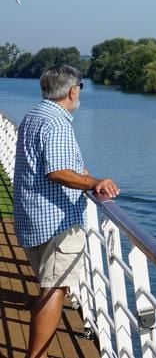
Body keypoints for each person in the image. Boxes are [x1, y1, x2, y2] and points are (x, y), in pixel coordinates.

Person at [13, 65, 119, 358]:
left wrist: (82, 175)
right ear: (73, 91)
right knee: (53, 290)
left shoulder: (35, 115)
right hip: (56, 221)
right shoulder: (58, 123)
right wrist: (96, 181)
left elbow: (53, 165)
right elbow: (57, 171)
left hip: (33, 217)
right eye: (81, 88)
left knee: (49, 287)